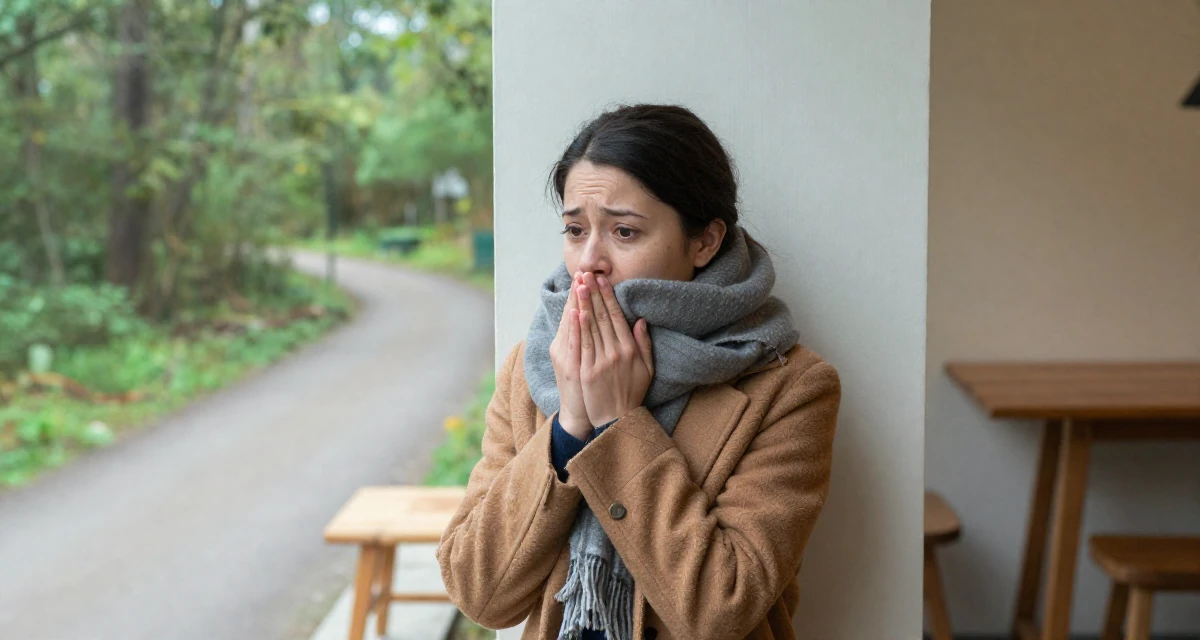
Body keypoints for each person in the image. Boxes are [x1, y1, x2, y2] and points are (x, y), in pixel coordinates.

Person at [436, 104, 841, 640]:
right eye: (575, 230)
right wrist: (568, 428)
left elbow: (720, 610)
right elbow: (478, 593)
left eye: (624, 232)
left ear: (704, 242)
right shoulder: (534, 368)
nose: (589, 262)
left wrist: (618, 423)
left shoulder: (790, 387)